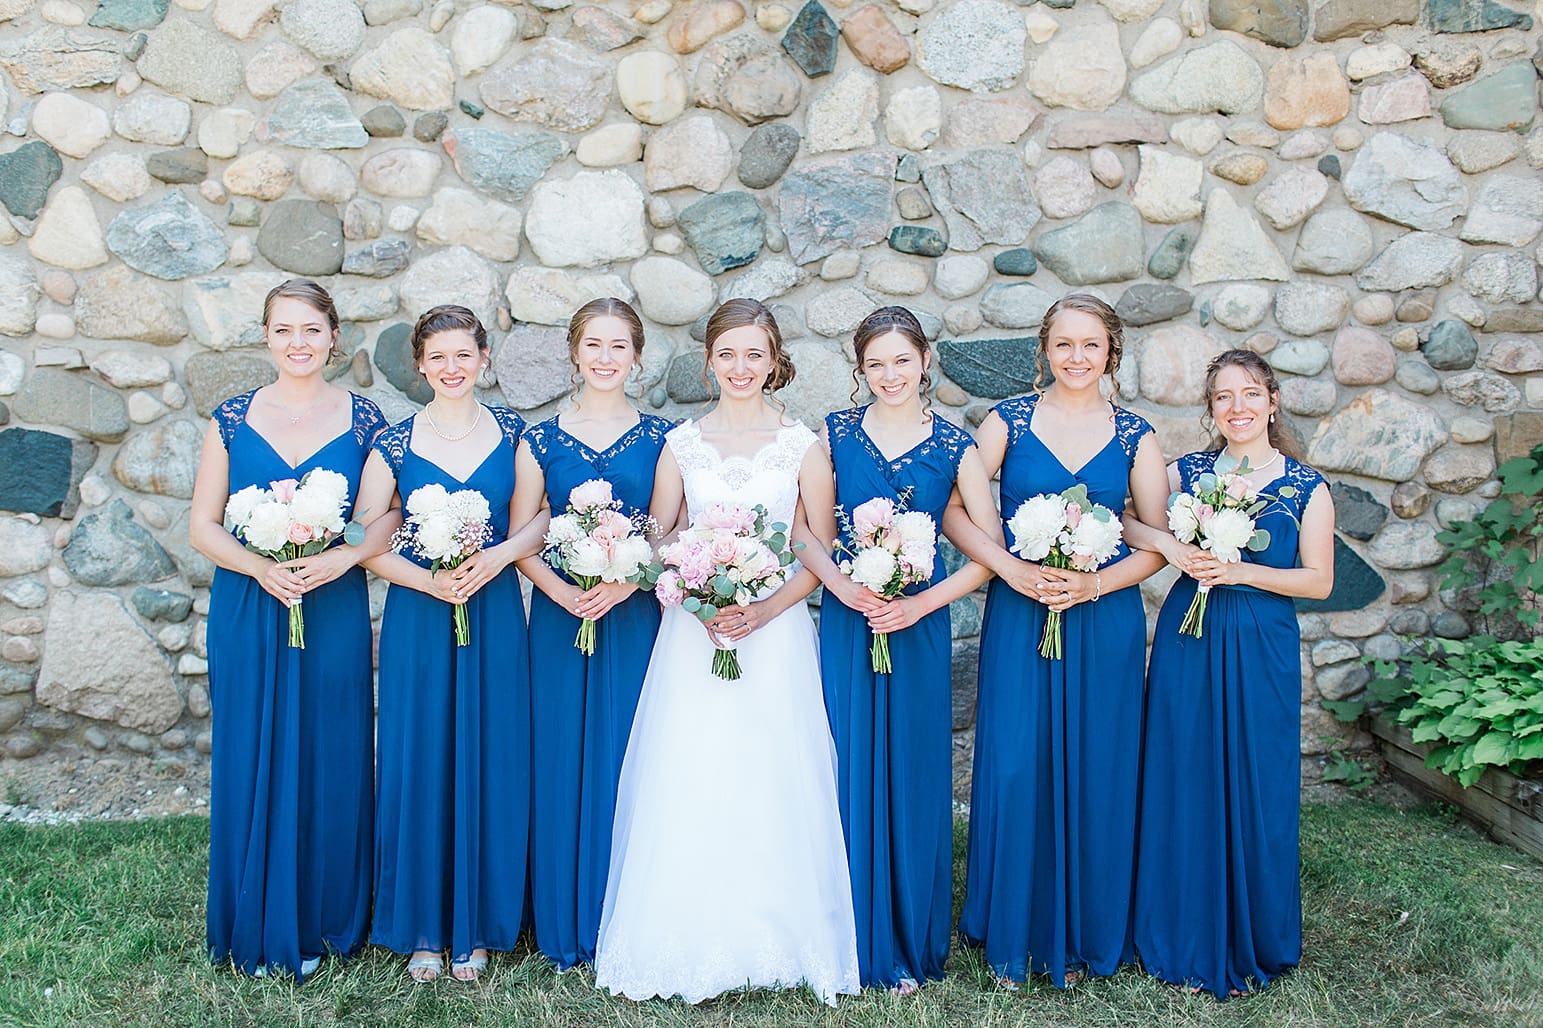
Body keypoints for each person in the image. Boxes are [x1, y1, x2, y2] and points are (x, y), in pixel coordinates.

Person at [594, 298, 860, 1005]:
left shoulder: (802, 445)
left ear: (775, 362)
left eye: (754, 354)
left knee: (775, 770)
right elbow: (660, 535)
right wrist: (696, 591)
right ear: (708, 361)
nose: (740, 367)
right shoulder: (680, 444)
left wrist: (766, 608)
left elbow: (814, 548)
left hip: (774, 638)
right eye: (727, 354)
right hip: (695, 634)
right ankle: (683, 928)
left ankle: (780, 929)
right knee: (694, 769)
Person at [949, 293, 1169, 989]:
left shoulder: (1136, 435)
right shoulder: (1006, 422)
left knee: (1099, 766)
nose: (1077, 358)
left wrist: (1092, 586)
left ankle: (1092, 927)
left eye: (1091, 346)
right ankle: (1009, 921)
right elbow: (956, 509)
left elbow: (1154, 541)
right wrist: (1010, 569)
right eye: (1064, 344)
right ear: (1043, 349)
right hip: (1021, 612)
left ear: (1111, 353)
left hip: (1102, 620)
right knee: (1016, 763)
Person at [191, 279, 388, 981]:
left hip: (330, 604)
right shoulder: (232, 420)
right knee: (252, 752)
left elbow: (380, 518)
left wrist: (341, 557)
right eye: (284, 330)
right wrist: (259, 566)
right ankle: (255, 915)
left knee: (332, 751)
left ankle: (327, 917)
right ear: (266, 338)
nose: (298, 343)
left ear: (334, 336)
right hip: (251, 604)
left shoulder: (366, 421)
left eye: (311, 329)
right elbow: (202, 524)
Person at [799, 307, 999, 994]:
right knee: (845, 766)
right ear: (859, 371)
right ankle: (845, 933)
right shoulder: (833, 438)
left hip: (916, 628)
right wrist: (843, 590)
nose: (889, 375)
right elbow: (807, 534)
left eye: (901, 361)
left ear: (924, 362)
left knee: (913, 774)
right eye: (875, 364)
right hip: (851, 625)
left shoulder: (955, 448)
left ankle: (910, 936)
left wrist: (918, 603)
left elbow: (986, 556)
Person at [1127, 349, 1333, 999]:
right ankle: (1177, 929)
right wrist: (1172, 546)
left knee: (1254, 776)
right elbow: (1133, 522)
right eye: (1222, 397)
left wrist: (1239, 569)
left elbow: (1318, 580)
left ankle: (1253, 934)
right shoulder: (1183, 471)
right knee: (1181, 771)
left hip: (1259, 639)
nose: (1236, 407)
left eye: (1249, 394)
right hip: (1189, 632)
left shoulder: (1305, 485)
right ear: (1209, 408)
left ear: (1272, 401)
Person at [356, 305, 543, 983]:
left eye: (463, 354)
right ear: (420, 366)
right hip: (419, 617)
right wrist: (425, 580)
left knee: (491, 755)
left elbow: (536, 523)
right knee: (418, 757)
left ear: (483, 358)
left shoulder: (516, 435)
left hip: (491, 613)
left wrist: (495, 561)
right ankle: (422, 926)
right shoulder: (394, 444)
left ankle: (480, 922)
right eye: (437, 358)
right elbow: (363, 538)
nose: (451, 368)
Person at [513, 299, 671, 971]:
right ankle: (559, 913)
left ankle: (624, 913)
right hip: (559, 615)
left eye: (619, 346)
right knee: (556, 755)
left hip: (633, 616)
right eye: (593, 345)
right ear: (574, 354)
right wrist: (562, 591)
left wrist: (626, 579)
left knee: (627, 753)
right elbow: (523, 534)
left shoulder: (664, 438)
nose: (605, 358)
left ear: (637, 358)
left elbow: (666, 533)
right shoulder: (540, 440)